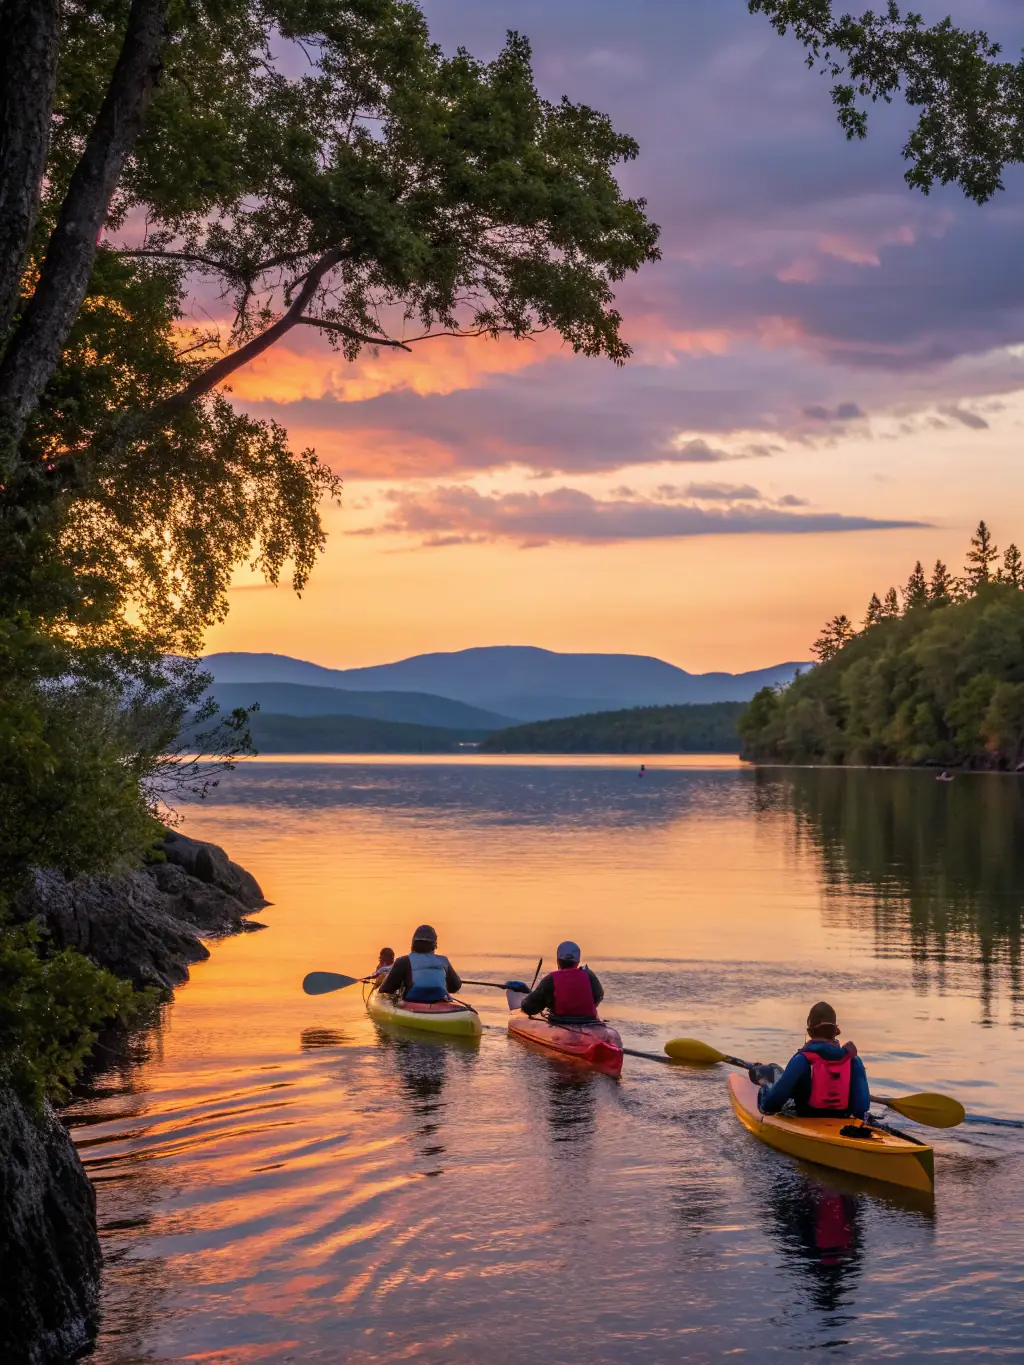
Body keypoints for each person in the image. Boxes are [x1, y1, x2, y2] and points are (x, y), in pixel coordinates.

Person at [752, 1001, 870, 1120]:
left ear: (810, 1032)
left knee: (767, 1083)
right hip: (842, 1118)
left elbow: (771, 1105)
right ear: (836, 1030)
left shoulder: (802, 1059)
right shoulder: (853, 1060)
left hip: (807, 1117)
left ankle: (763, 1078)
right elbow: (861, 1108)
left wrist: (764, 1089)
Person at [518, 941, 604, 1022]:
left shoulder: (550, 979)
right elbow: (599, 996)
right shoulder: (588, 975)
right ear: (577, 961)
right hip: (588, 1021)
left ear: (558, 960)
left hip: (560, 1021)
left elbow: (528, 1008)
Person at [378, 925, 463, 1003]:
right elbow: (455, 986)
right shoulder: (443, 960)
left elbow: (385, 989)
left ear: (413, 943)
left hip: (412, 1004)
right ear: (434, 945)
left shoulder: (403, 961)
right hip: (440, 1001)